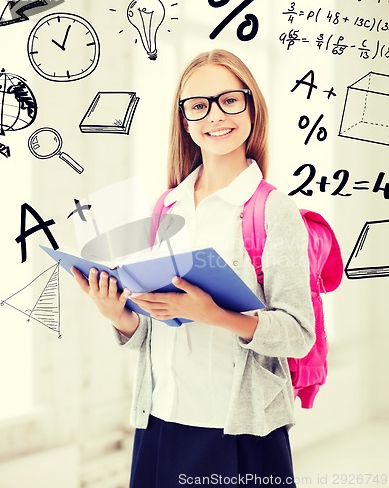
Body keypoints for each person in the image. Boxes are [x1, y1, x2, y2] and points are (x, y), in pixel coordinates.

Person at [71, 49, 315, 487]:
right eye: (198, 105)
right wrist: (119, 316)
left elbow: (298, 335)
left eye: (229, 100)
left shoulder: (273, 210)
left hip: (238, 431)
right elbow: (156, 324)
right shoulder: (167, 206)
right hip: (161, 421)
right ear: (184, 120)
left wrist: (215, 315)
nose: (215, 116)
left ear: (251, 107)